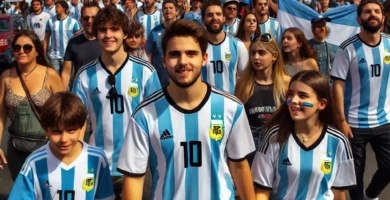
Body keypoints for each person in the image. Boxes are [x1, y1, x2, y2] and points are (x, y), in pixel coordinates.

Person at [118, 19, 256, 200]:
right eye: (175, 54)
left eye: (191, 53)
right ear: (164, 61)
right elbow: (134, 178)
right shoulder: (144, 114)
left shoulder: (231, 108)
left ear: (204, 58)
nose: (183, 61)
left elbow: (239, 166)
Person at [72, 6, 161, 198]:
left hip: (133, 166)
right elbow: (75, 122)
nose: (108, 35)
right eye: (103, 30)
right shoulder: (85, 75)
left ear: (124, 33)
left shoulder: (145, 72)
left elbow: (158, 123)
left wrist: (159, 168)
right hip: (97, 163)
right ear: (96, 34)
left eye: (114, 29)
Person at [252, 70, 356, 199]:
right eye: (290, 94)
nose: (294, 100)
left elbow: (339, 194)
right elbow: (262, 191)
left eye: (302, 96)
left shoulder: (338, 141)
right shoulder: (275, 136)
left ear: (322, 104)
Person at [331, 0, 390, 199]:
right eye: (367, 12)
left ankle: (371, 195)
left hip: (384, 120)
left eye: (376, 11)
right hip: (354, 123)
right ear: (359, 19)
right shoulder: (347, 48)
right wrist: (341, 120)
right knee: (354, 175)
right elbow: (337, 86)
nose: (372, 14)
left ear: (383, 18)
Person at [8, 92, 115, 200]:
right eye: (56, 132)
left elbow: (105, 197)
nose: (64, 139)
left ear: (81, 127)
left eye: (71, 131)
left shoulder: (97, 159)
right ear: (45, 130)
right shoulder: (34, 162)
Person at [0, 30, 65, 180]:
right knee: (23, 191)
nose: (21, 51)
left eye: (27, 47)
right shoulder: (5, 77)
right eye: (17, 48)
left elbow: (65, 112)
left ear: (37, 51)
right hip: (16, 148)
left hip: (46, 147)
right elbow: (1, 115)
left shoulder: (50, 75)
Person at [235, 34, 290, 164]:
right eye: (253, 53)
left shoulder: (287, 83)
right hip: (251, 153)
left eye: (261, 53)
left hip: (281, 150)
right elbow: (236, 122)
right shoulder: (243, 84)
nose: (256, 57)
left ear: (274, 56)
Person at [201, 0, 249, 95]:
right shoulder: (198, 46)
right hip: (205, 105)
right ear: (203, 20)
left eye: (218, 14)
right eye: (210, 15)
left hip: (230, 105)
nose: (215, 18)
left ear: (223, 18)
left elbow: (246, 78)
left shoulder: (237, 45)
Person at [62, 1, 101, 91]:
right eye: (86, 18)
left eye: (94, 18)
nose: (90, 21)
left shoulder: (108, 41)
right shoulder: (73, 42)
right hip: (80, 92)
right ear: (81, 20)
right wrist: (63, 96)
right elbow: (66, 72)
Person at [146, 0, 178, 87]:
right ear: (162, 11)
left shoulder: (182, 30)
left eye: (171, 8)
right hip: (160, 80)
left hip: (178, 77)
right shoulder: (154, 32)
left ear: (177, 11)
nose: (168, 10)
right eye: (165, 8)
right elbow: (148, 55)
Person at [44, 1, 82, 74]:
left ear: (64, 8)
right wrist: (44, 52)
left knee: (68, 80)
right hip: (53, 56)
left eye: (58, 7)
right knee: (56, 78)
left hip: (68, 56)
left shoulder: (73, 22)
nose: (56, 8)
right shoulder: (50, 21)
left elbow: (77, 37)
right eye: (55, 7)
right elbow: (46, 38)